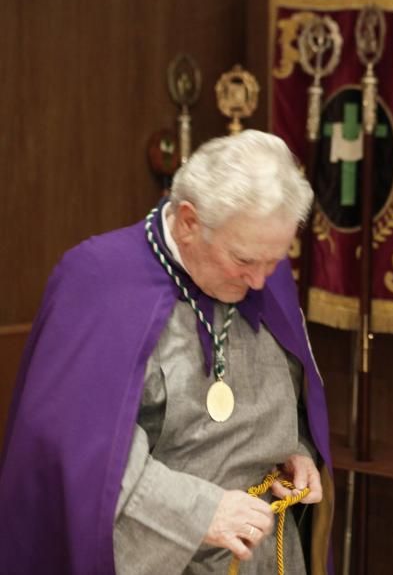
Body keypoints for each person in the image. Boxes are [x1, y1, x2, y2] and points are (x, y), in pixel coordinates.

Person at [0, 130, 334, 574]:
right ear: (190, 221)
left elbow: (290, 394)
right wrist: (199, 514)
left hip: (264, 550)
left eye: (274, 261)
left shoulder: (257, 256)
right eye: (244, 261)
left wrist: (296, 450)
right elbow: (83, 457)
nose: (259, 281)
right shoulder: (98, 281)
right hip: (163, 552)